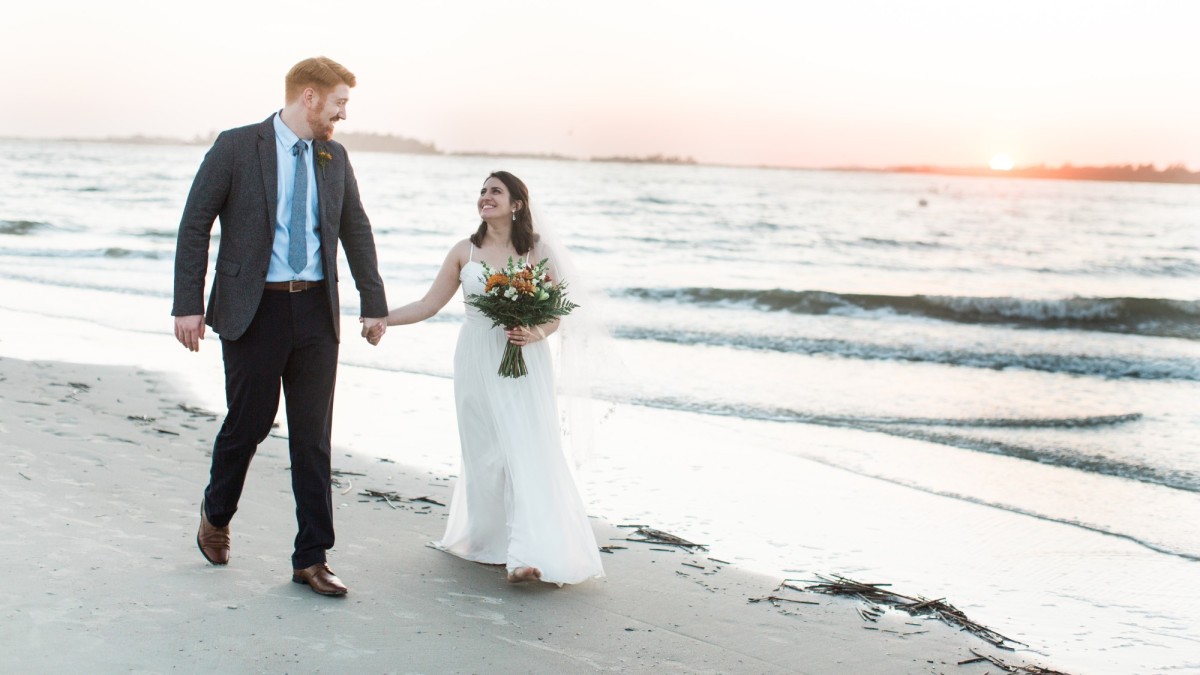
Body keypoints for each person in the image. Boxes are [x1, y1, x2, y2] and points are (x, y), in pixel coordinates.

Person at [172, 56, 389, 597]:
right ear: (310, 97)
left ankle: (311, 557)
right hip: (253, 310)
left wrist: (373, 301)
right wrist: (187, 304)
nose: (343, 114)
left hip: (316, 310)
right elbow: (195, 223)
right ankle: (216, 513)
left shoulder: (333, 156)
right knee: (249, 422)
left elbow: (355, 230)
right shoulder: (236, 146)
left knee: (313, 436)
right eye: (339, 103)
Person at [366, 171, 604, 585]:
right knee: (485, 453)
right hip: (475, 358)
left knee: (524, 450)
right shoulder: (465, 252)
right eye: (482, 191)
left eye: (495, 191)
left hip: (523, 359)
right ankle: (490, 541)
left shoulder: (537, 252)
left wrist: (534, 332)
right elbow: (428, 303)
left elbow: (556, 315)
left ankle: (525, 554)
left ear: (516, 204)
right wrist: (383, 320)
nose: (485, 197)